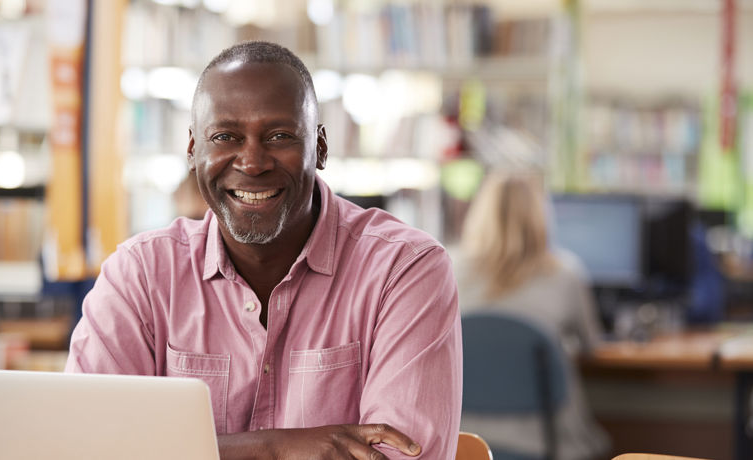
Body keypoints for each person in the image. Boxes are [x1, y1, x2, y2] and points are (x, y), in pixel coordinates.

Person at [66, 41, 462, 459]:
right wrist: (276, 447)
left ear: (320, 148)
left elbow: (402, 456)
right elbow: (81, 446)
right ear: (193, 151)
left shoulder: (405, 268)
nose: (252, 162)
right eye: (224, 136)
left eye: (279, 136)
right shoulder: (140, 274)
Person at [456, 169, 610, 460]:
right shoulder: (565, 274)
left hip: (466, 443)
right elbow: (593, 347)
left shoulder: (448, 270)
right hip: (546, 443)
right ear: (540, 216)